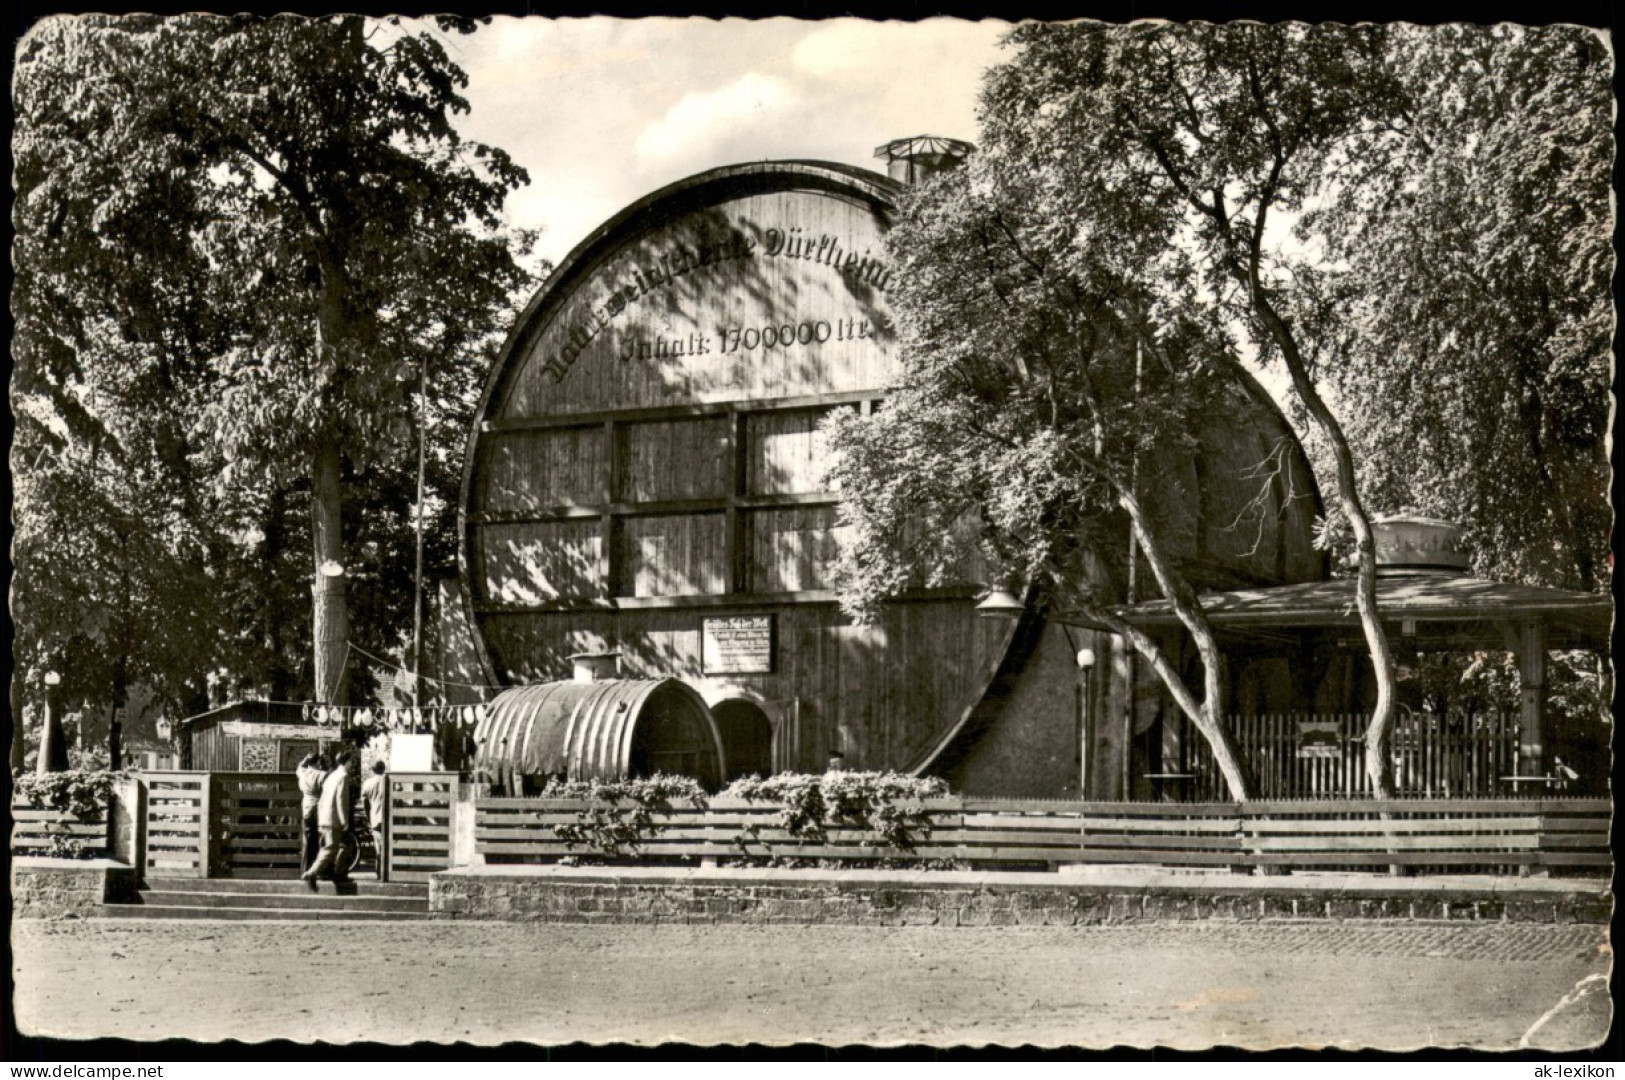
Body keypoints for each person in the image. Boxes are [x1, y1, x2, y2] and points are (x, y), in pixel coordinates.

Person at [302, 749, 355, 890]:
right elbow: (341, 800)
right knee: (331, 849)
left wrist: (321, 819)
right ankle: (313, 873)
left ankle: (338, 874)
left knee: (341, 846)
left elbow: (323, 799)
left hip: (324, 818)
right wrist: (344, 821)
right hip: (334, 819)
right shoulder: (343, 777)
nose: (352, 764)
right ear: (347, 762)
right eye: (351, 761)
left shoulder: (332, 776)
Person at [295, 752, 329, 873]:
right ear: (318, 763)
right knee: (322, 841)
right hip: (319, 810)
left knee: (308, 842)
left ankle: (306, 869)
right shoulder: (322, 775)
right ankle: (320, 871)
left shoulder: (302, 773)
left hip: (307, 810)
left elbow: (300, 766)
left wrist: (306, 758)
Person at [361, 759, 388, 872]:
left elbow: (364, 802)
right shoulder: (388, 781)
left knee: (378, 845)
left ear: (373, 770)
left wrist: (368, 817)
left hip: (375, 817)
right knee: (387, 843)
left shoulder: (367, 783)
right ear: (384, 769)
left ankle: (379, 870)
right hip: (387, 817)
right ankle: (386, 870)